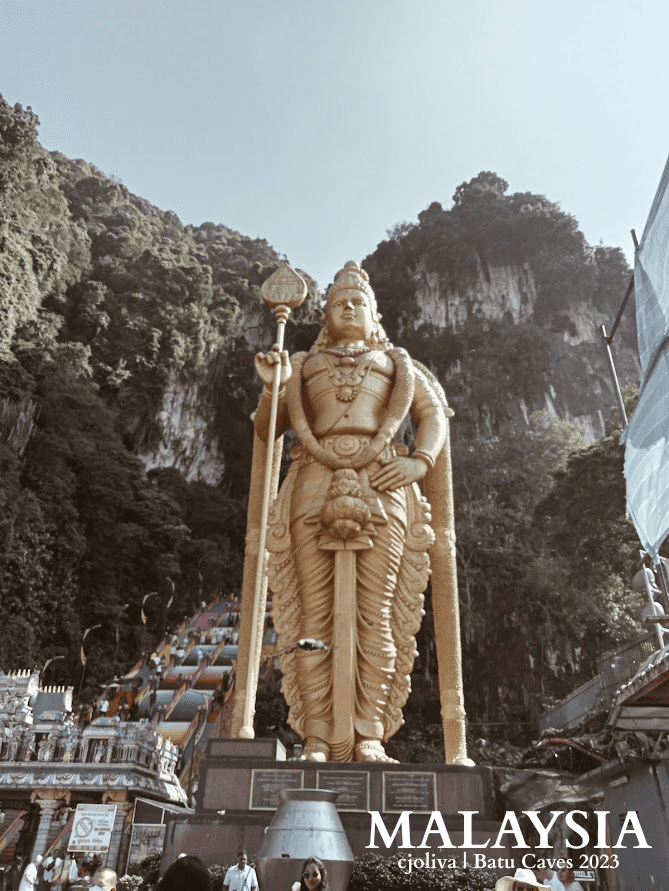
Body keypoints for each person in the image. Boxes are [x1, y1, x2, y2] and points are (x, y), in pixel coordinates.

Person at [253, 260, 454, 762]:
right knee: (313, 616)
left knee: (377, 613)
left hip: (383, 475)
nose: (348, 306)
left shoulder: (397, 364)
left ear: (373, 313)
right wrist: (271, 386)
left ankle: (370, 733)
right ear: (324, 316)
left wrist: (420, 461)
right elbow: (267, 429)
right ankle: (317, 735)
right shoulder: (301, 364)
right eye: (338, 302)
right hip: (313, 479)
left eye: (357, 302)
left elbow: (432, 416)